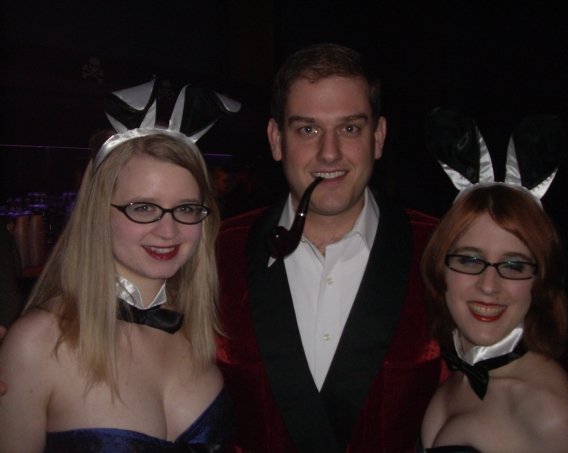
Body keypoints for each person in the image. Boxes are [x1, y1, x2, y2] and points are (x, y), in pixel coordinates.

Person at [216, 42, 443, 452]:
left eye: (350, 128)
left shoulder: (442, 250)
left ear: (378, 137)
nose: (330, 152)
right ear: (276, 140)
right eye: (308, 129)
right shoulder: (218, 251)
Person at [0, 81, 237, 451]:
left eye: (187, 208)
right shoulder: (36, 343)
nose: (169, 230)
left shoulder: (205, 329)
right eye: (143, 207)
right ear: (99, 215)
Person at [419, 183, 568, 452]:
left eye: (514, 265)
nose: (489, 286)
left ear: (539, 282)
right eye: (470, 260)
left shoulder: (543, 407)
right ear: (440, 269)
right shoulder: (457, 378)